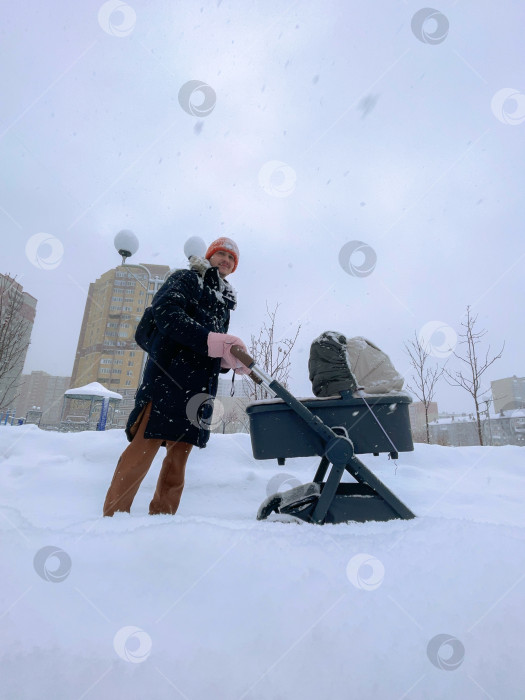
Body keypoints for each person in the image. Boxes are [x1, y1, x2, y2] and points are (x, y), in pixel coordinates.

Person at [103, 237, 249, 517]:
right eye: (221, 254)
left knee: (178, 461)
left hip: (198, 390)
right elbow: (167, 314)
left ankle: (162, 522)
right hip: (166, 380)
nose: (226, 260)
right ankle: (112, 519)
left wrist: (227, 360)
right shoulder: (186, 279)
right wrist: (214, 341)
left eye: (231, 258)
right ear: (209, 257)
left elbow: (209, 348)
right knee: (141, 451)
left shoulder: (224, 301)